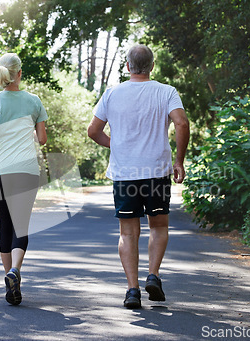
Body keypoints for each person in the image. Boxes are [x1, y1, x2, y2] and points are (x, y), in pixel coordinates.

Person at [87, 44, 190, 309]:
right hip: (156, 172)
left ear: (128, 66)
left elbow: (93, 131)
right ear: (152, 66)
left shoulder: (112, 93)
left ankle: (132, 290)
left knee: (128, 232)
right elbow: (181, 122)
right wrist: (178, 161)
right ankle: (153, 274)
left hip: (125, 174)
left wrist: (117, 144)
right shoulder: (166, 92)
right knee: (158, 226)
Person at [0, 53, 47, 305]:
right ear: (20, 74)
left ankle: (9, 279)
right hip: (25, 170)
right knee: (21, 224)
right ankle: (15, 271)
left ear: (2, 73)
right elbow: (43, 138)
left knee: (5, 224)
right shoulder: (34, 101)